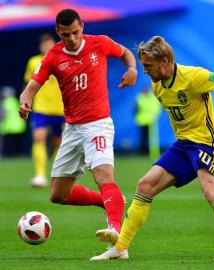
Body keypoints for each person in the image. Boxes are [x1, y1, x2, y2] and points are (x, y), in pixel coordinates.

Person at [91, 36, 214, 261]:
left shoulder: (195, 77)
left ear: (164, 61)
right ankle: (120, 248)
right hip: (184, 145)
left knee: (211, 190)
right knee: (145, 185)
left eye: (148, 66)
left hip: (207, 143)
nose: (145, 71)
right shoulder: (157, 85)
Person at [19, 9, 137, 244]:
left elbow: (125, 53)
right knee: (58, 194)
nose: (71, 38)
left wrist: (132, 69)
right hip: (72, 129)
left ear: (82, 26)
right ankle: (106, 201)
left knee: (103, 175)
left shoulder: (100, 43)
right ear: (58, 32)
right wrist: (25, 100)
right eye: (66, 35)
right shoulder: (53, 56)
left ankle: (115, 228)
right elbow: (31, 87)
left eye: (75, 32)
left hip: (98, 124)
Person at [24, 33, 64, 187]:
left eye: (50, 44)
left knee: (59, 143)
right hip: (41, 108)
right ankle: (40, 175)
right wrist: (27, 100)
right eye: (44, 44)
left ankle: (56, 173)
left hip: (61, 108)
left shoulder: (62, 59)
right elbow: (29, 83)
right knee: (39, 137)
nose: (47, 47)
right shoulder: (33, 62)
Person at [134, 86, 161, 157]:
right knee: (143, 137)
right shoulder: (140, 98)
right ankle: (143, 152)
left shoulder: (151, 98)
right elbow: (136, 109)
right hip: (142, 121)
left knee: (150, 138)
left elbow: (156, 108)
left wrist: (155, 116)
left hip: (151, 121)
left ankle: (149, 152)